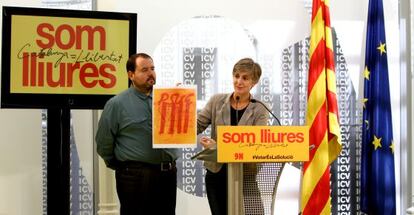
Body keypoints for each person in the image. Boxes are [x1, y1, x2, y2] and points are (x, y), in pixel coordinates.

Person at [96, 53, 177, 215]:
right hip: (135, 176)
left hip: (167, 175)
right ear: (131, 75)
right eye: (144, 70)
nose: (150, 73)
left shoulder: (168, 100)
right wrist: (123, 166)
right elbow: (104, 143)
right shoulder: (117, 104)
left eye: (153, 69)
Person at [197, 58, 269, 215]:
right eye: (236, 76)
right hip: (217, 174)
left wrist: (218, 147)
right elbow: (196, 126)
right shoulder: (217, 101)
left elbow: (257, 144)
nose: (239, 81)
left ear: (254, 82)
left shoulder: (260, 109)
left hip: (245, 175)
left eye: (245, 78)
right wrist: (182, 107)